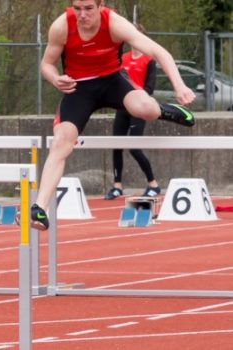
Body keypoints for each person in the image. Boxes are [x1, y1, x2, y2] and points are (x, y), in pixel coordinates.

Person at [30, 0, 197, 230]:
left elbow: (159, 52)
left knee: (145, 109)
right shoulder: (62, 26)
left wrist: (179, 86)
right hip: (79, 89)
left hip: (112, 81)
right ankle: (39, 209)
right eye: (77, 9)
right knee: (61, 141)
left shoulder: (115, 23)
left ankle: (167, 110)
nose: (82, 15)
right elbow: (46, 64)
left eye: (88, 9)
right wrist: (55, 78)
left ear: (101, 6)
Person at [105, 24, 160, 200]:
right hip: (122, 108)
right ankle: (117, 186)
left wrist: (137, 97)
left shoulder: (149, 60)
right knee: (116, 145)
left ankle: (153, 184)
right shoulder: (122, 58)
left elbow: (150, 87)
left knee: (134, 148)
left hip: (138, 108)